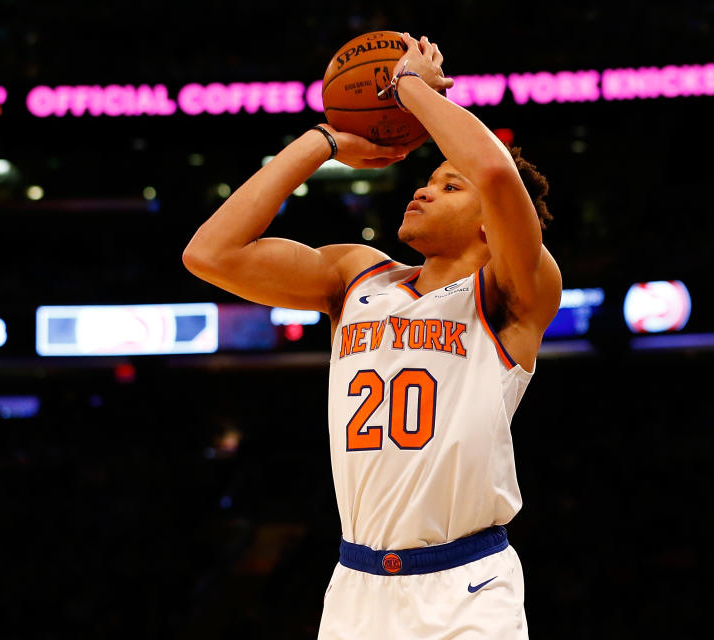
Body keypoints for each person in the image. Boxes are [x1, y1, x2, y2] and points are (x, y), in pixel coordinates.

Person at [183, 32, 561, 639]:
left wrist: (408, 86)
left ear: (493, 225)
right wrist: (323, 141)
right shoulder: (356, 275)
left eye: (448, 185)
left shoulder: (514, 293)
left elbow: (492, 170)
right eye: (430, 180)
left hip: (466, 587)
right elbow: (209, 253)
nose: (423, 188)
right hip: (356, 587)